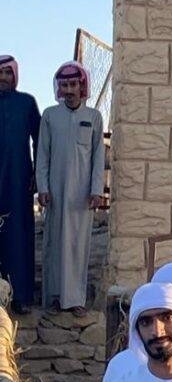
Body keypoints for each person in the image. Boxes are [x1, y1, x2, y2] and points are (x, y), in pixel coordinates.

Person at [35, 61, 104, 316]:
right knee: (54, 244)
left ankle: (75, 299)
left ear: (81, 86)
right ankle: (55, 297)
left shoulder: (94, 117)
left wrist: (96, 190)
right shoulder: (50, 116)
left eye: (73, 84)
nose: (69, 90)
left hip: (81, 196)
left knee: (78, 245)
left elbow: (98, 157)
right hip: (55, 192)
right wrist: (43, 187)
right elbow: (42, 154)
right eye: (64, 85)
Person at [0, 54, 40, 314]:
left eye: (8, 73)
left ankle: (21, 296)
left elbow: (40, 139)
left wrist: (37, 173)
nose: (3, 78)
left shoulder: (26, 103)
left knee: (18, 235)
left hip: (18, 179)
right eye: (0, 72)